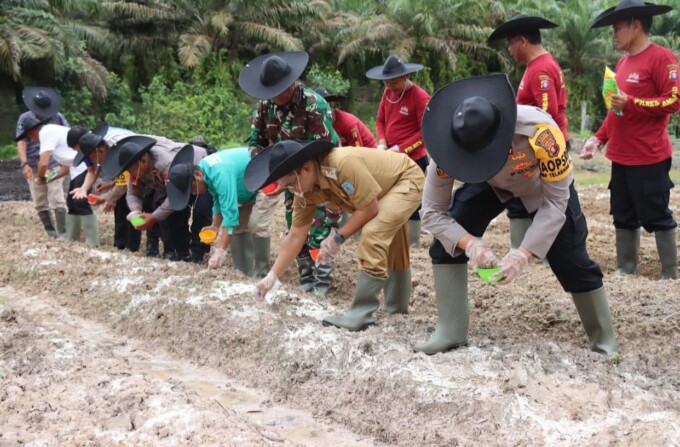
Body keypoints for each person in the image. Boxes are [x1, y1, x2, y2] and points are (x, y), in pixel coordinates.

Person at [414, 74, 618, 357]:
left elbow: (557, 202)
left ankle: (603, 340)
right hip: (489, 183)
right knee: (447, 241)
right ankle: (451, 330)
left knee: (570, 256)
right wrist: (469, 243)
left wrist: (523, 254)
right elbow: (432, 213)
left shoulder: (542, 133)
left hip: (538, 184)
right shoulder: (447, 150)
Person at [247, 140, 424, 330]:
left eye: (292, 184)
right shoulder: (305, 190)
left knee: (373, 233)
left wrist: (338, 237)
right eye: (288, 188)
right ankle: (396, 309)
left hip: (405, 178)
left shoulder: (341, 164)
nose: (294, 191)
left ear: (306, 168)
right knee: (391, 238)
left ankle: (361, 314)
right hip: (381, 190)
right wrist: (272, 276)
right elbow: (296, 235)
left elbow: (370, 208)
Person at [582, 0, 678, 280]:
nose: (614, 34)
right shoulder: (622, 63)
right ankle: (625, 269)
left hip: (648, 155)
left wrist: (632, 101)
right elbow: (616, 110)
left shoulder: (662, 58)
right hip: (620, 156)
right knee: (622, 214)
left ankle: (670, 274)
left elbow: (674, 100)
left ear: (636, 25)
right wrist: (598, 139)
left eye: (617, 28)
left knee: (656, 214)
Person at [240, 51, 340, 296]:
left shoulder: (314, 105)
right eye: (272, 92)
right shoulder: (264, 108)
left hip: (319, 175)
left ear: (292, 83)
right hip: (288, 177)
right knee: (295, 227)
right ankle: (305, 276)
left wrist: (301, 176)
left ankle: (322, 281)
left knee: (320, 227)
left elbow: (323, 149)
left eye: (281, 90)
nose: (277, 96)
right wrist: (272, 173)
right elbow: (256, 143)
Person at [488, 14, 570, 250]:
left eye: (510, 43)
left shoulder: (540, 70)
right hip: (545, 147)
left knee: (542, 200)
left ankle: (537, 251)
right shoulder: (538, 66)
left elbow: (545, 118)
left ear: (522, 41)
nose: (509, 49)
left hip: (543, 149)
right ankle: (530, 250)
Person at [166, 145, 276, 277]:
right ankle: (242, 273)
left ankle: (261, 274)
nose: (194, 193)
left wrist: (220, 251)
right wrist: (215, 226)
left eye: (192, 189)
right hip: (246, 187)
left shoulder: (220, 173)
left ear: (197, 175)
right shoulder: (205, 169)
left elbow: (230, 215)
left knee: (257, 224)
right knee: (239, 227)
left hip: (266, 177)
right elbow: (218, 199)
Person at [101, 135, 210, 262]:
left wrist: (153, 217)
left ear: (143, 162)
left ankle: (198, 254)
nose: (130, 174)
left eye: (130, 170)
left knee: (201, 212)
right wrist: (136, 211)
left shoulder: (165, 164)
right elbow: (132, 193)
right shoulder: (135, 168)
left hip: (199, 175)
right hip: (172, 185)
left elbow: (172, 198)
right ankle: (182, 253)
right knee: (173, 214)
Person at [367, 55, 430, 248]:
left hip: (414, 158)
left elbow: (424, 132)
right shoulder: (387, 94)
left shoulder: (420, 97)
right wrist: (382, 142)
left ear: (405, 77)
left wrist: (401, 149)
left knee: (413, 198)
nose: (390, 86)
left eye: (394, 81)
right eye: (386, 81)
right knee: (390, 195)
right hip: (390, 156)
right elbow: (380, 120)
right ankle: (394, 233)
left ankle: (413, 242)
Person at [17, 118, 99, 246]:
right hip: (75, 169)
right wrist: (50, 178)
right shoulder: (52, 135)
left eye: (30, 136)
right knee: (71, 203)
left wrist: (41, 178)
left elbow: (43, 163)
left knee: (80, 201)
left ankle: (93, 241)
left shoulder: (46, 133)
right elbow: (64, 168)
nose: (32, 140)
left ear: (32, 132)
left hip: (84, 166)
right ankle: (72, 238)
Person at [73, 124, 140, 252]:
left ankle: (132, 246)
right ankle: (121, 243)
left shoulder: (118, 151)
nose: (92, 161)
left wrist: (105, 199)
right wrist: (111, 185)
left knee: (131, 206)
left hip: (142, 175)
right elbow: (122, 178)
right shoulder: (104, 146)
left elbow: (124, 185)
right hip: (130, 177)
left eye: (91, 158)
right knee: (120, 208)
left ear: (101, 151)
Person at [15, 87, 69, 239]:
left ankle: (63, 233)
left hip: (54, 164)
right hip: (33, 164)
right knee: (39, 201)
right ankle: (51, 233)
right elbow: (21, 142)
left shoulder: (58, 118)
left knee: (56, 197)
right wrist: (24, 164)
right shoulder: (25, 119)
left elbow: (68, 137)